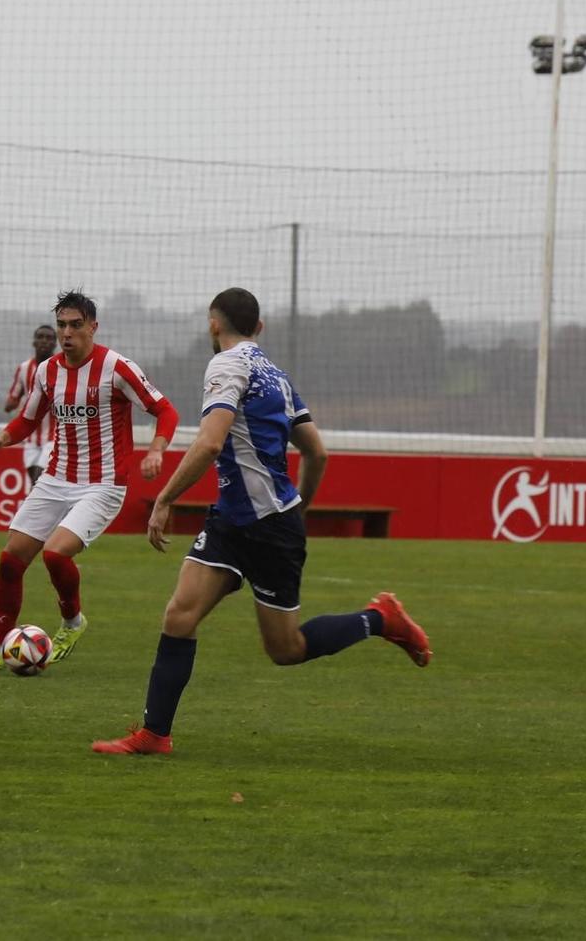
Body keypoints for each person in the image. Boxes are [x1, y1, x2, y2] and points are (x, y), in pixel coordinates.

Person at [91, 287, 430, 756]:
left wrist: (164, 499)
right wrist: (300, 508)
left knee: (285, 649)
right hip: (236, 520)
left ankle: (380, 619)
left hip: (267, 527)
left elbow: (210, 443)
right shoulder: (275, 374)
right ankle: (154, 734)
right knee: (179, 614)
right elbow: (317, 452)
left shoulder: (227, 365)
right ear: (259, 327)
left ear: (214, 324)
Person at [0, 290, 180, 673]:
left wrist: (157, 450)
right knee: (10, 560)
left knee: (55, 553)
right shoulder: (46, 371)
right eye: (61, 325)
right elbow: (28, 420)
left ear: (93, 327)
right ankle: (3, 648)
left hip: (103, 484)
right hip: (56, 478)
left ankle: (72, 623)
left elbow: (164, 410)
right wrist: (1, 437)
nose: (67, 333)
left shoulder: (116, 368)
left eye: (75, 325)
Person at [3, 323, 58, 488]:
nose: (44, 341)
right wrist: (10, 404)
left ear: (55, 343)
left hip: (54, 436)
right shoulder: (24, 368)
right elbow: (13, 398)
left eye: (49, 338)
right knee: (36, 485)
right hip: (31, 438)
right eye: (40, 337)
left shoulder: (61, 367)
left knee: (39, 479)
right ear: (34, 342)